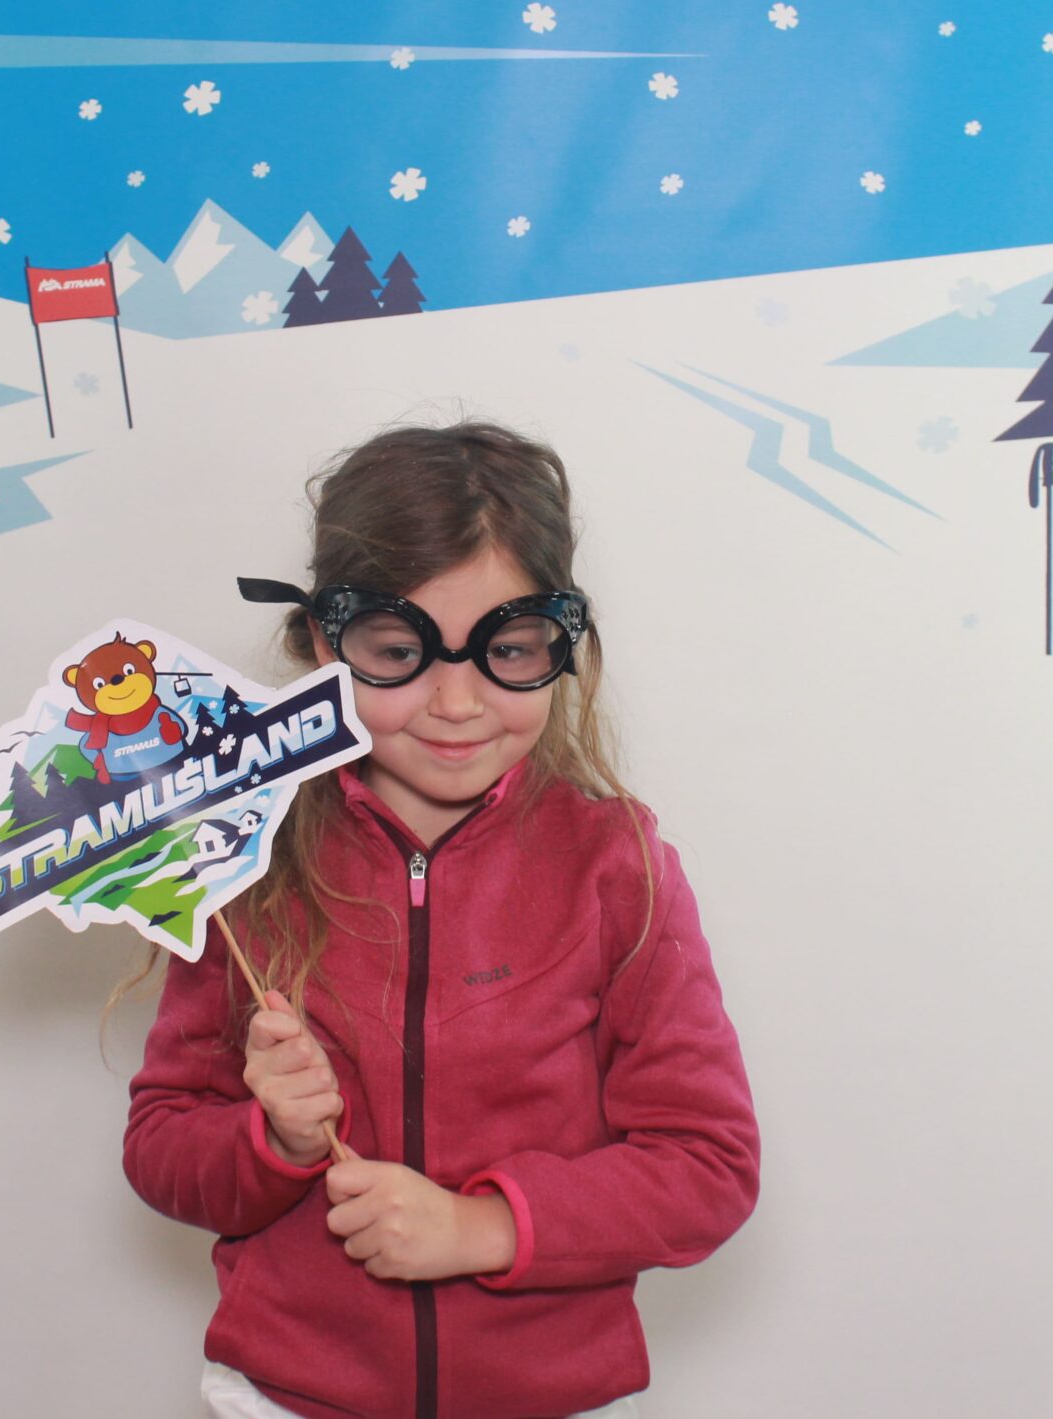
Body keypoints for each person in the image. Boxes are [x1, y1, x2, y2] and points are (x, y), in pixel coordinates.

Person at [113, 420, 760, 1419]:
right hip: (287, 1397)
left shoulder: (617, 865)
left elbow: (707, 1166)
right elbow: (162, 1148)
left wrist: (483, 1228)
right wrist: (275, 1141)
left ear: (557, 645)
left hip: (552, 1399)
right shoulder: (244, 862)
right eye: (399, 651)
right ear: (322, 642)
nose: (457, 703)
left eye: (507, 649)